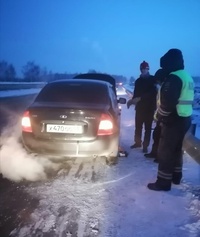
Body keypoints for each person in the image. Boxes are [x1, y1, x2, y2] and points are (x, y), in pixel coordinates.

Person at [147, 49, 194, 191]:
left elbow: (167, 104)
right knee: (177, 150)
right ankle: (176, 176)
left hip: (173, 120)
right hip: (185, 119)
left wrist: (159, 116)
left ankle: (163, 182)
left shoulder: (173, 78)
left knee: (166, 151)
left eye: (164, 66)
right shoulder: (187, 76)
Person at [127, 61, 157, 153]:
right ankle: (137, 142)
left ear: (148, 69)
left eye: (146, 69)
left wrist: (140, 98)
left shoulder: (153, 80)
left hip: (150, 108)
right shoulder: (138, 81)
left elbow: (153, 92)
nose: (144, 70)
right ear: (140, 69)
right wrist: (132, 101)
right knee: (138, 127)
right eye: (142, 69)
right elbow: (135, 94)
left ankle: (145, 145)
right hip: (140, 108)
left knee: (148, 128)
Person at [144, 68, 167, 161]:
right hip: (160, 115)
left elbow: (166, 104)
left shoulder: (166, 88)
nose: (156, 82)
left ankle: (159, 156)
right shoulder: (160, 88)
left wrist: (162, 117)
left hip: (165, 117)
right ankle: (154, 153)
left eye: (158, 80)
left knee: (161, 138)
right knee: (156, 135)